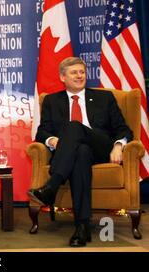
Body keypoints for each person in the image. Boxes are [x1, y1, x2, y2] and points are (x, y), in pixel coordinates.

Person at [28, 57, 133, 247]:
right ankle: (82, 227)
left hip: (101, 148)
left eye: (82, 72)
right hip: (72, 152)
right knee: (81, 152)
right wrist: (54, 141)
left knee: (74, 127)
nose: (79, 75)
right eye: (74, 72)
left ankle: (53, 184)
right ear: (62, 77)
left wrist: (118, 146)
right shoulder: (52, 101)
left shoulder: (105, 98)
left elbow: (123, 129)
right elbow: (42, 132)